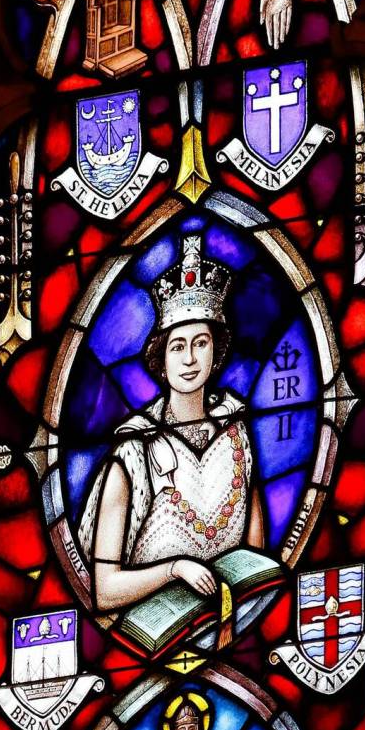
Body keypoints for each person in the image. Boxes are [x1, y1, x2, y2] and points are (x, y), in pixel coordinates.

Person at [78, 233, 264, 611]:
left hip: (236, 622)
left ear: (217, 351)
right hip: (149, 636)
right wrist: (174, 569)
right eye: (178, 346)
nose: (190, 359)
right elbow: (105, 589)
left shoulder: (237, 434)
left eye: (201, 343)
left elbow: (256, 556)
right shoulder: (133, 454)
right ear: (160, 359)